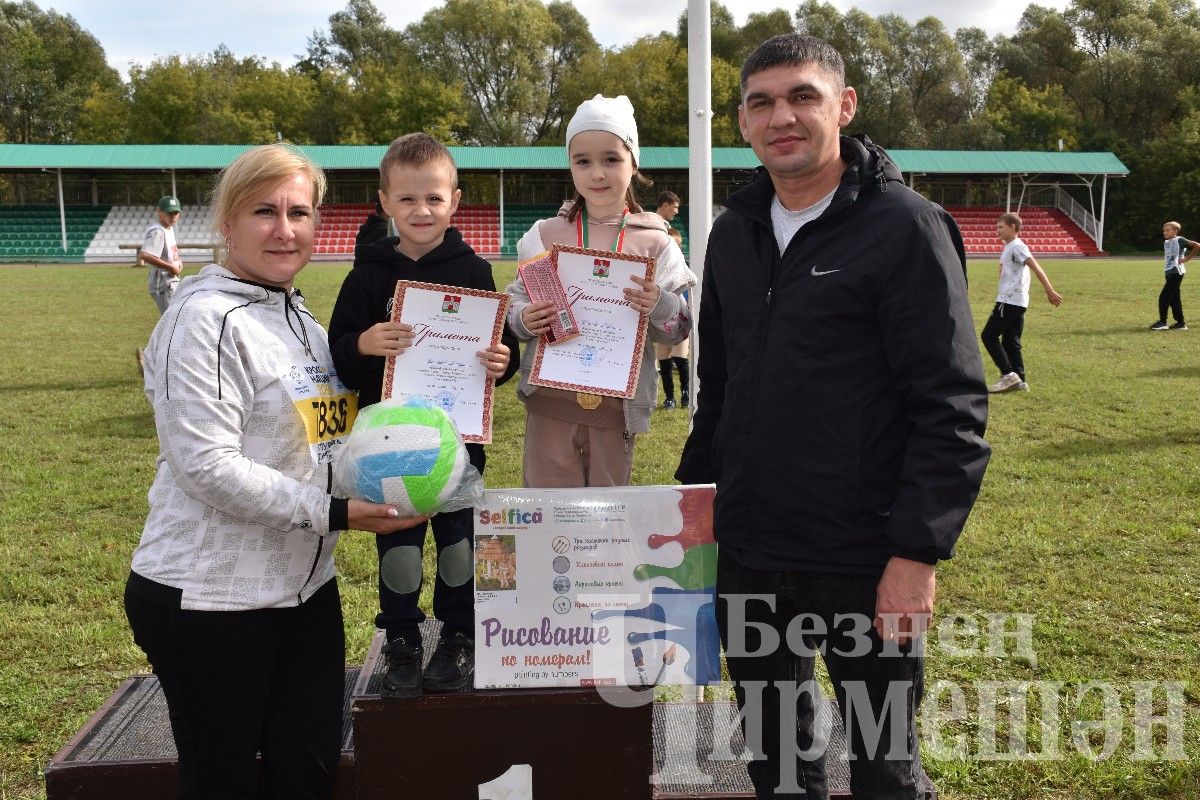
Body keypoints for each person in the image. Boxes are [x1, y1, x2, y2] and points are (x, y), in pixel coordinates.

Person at [675, 34, 990, 800]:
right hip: (752, 551)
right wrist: (700, 493)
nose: (782, 116)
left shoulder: (905, 227)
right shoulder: (733, 233)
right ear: (744, 124)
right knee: (778, 762)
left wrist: (916, 557)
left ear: (843, 107)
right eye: (761, 103)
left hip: (864, 557)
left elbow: (951, 408)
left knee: (884, 766)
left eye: (802, 97)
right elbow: (717, 384)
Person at [124, 144, 425, 800]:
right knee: (225, 780)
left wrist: (440, 399)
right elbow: (208, 466)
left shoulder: (300, 318)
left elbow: (332, 434)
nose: (285, 229)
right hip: (210, 600)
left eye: (300, 212)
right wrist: (341, 513)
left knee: (308, 768)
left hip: (303, 589)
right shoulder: (202, 319)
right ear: (226, 225)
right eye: (264, 211)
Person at [328, 132, 518, 700]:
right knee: (400, 545)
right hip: (390, 447)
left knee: (460, 542)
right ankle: (402, 638)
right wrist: (365, 342)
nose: (421, 210)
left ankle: (460, 634)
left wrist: (502, 360)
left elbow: (498, 353)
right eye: (407, 199)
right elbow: (338, 350)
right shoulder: (366, 276)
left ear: (454, 201)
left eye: (433, 198)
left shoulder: (476, 271)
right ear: (385, 201)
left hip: (460, 443)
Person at [506, 94, 696, 488]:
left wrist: (658, 304)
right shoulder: (544, 235)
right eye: (583, 161)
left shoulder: (655, 244)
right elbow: (514, 304)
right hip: (550, 402)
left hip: (616, 408)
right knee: (547, 505)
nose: (597, 173)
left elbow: (679, 328)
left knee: (606, 515)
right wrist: (523, 319)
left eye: (611, 159)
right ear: (570, 166)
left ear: (634, 163)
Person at [981, 212, 1063, 393]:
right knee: (1011, 341)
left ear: (1013, 227)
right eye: (997, 227)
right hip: (1017, 301)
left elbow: (1036, 267)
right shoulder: (1009, 246)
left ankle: (1008, 375)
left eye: (1001, 227)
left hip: (1009, 301)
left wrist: (1049, 290)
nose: (997, 231)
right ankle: (1020, 381)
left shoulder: (1017, 246)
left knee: (988, 335)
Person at [136, 195, 184, 374]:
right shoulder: (158, 231)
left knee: (173, 323)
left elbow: (170, 255)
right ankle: (152, 361)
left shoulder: (168, 229)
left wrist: (178, 263)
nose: (173, 217)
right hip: (163, 285)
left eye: (176, 213)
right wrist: (171, 266)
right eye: (170, 213)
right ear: (159, 212)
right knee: (174, 324)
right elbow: (146, 255)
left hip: (170, 282)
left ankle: (151, 360)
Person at [656, 227, 691, 409]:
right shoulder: (656, 269)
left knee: (680, 356)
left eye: (677, 245)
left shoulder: (683, 268)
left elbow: (689, 291)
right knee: (663, 358)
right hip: (662, 321)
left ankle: (686, 392)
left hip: (680, 319)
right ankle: (669, 396)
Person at [1149, 220, 1197, 331]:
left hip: (1176, 272)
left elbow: (1196, 245)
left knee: (1164, 297)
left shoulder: (1179, 240)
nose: (1165, 232)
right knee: (1174, 298)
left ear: (1175, 231)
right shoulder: (1167, 242)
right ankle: (1180, 324)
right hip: (1169, 272)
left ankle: (1163, 322)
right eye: (1164, 231)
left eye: (1168, 230)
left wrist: (1186, 258)